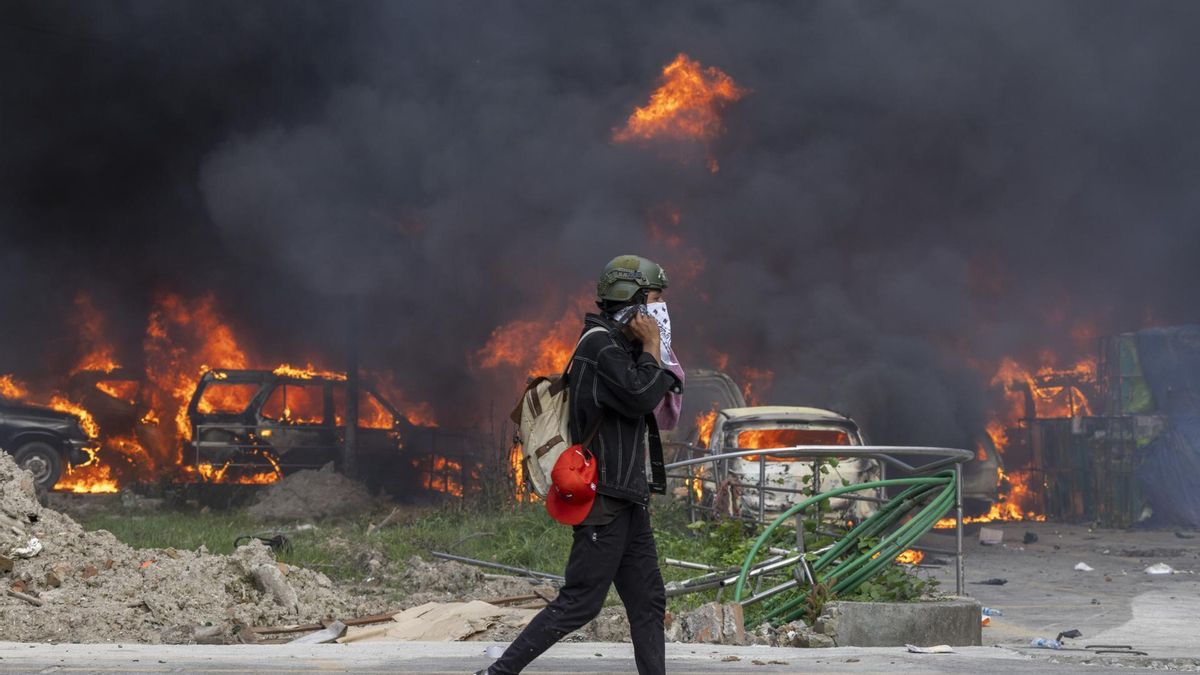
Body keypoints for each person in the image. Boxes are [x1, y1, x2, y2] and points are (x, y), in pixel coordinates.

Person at [479, 255, 681, 675]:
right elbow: (643, 393)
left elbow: (656, 394)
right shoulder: (599, 345)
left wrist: (651, 352)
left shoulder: (618, 346)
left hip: (628, 498)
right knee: (581, 602)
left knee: (648, 601)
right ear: (633, 298)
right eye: (655, 299)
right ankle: (496, 673)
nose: (659, 311)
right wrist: (651, 348)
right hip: (603, 498)